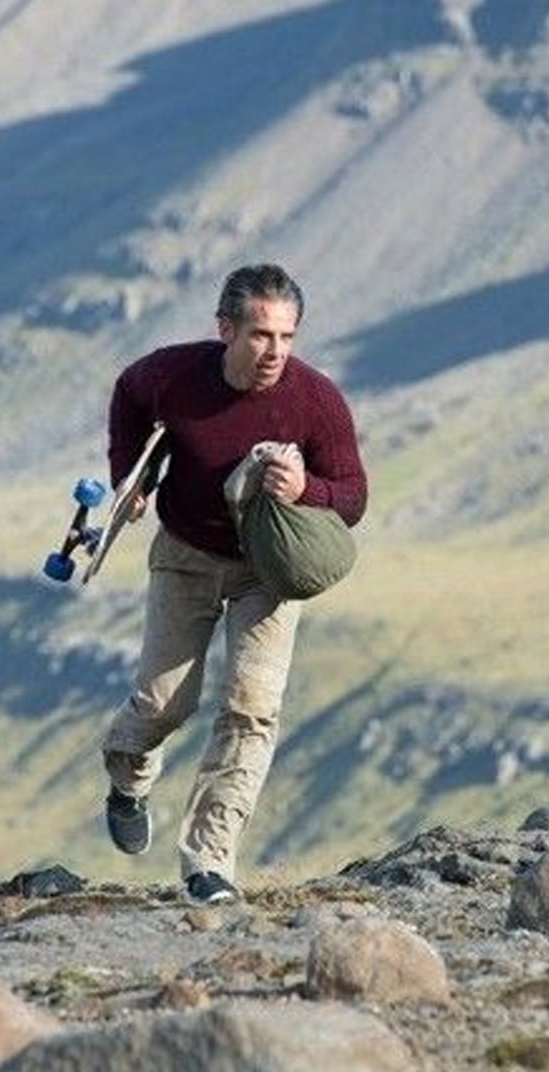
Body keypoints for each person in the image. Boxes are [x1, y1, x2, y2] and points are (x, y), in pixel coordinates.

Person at [99, 263, 367, 904]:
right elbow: (129, 399)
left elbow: (353, 497)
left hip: (266, 570)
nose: (275, 351)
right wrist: (127, 480)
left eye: (287, 337)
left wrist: (309, 490)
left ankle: (209, 864)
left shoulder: (315, 400)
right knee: (164, 704)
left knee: (252, 710)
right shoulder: (171, 375)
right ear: (226, 329)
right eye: (260, 335)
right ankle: (127, 777)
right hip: (186, 553)